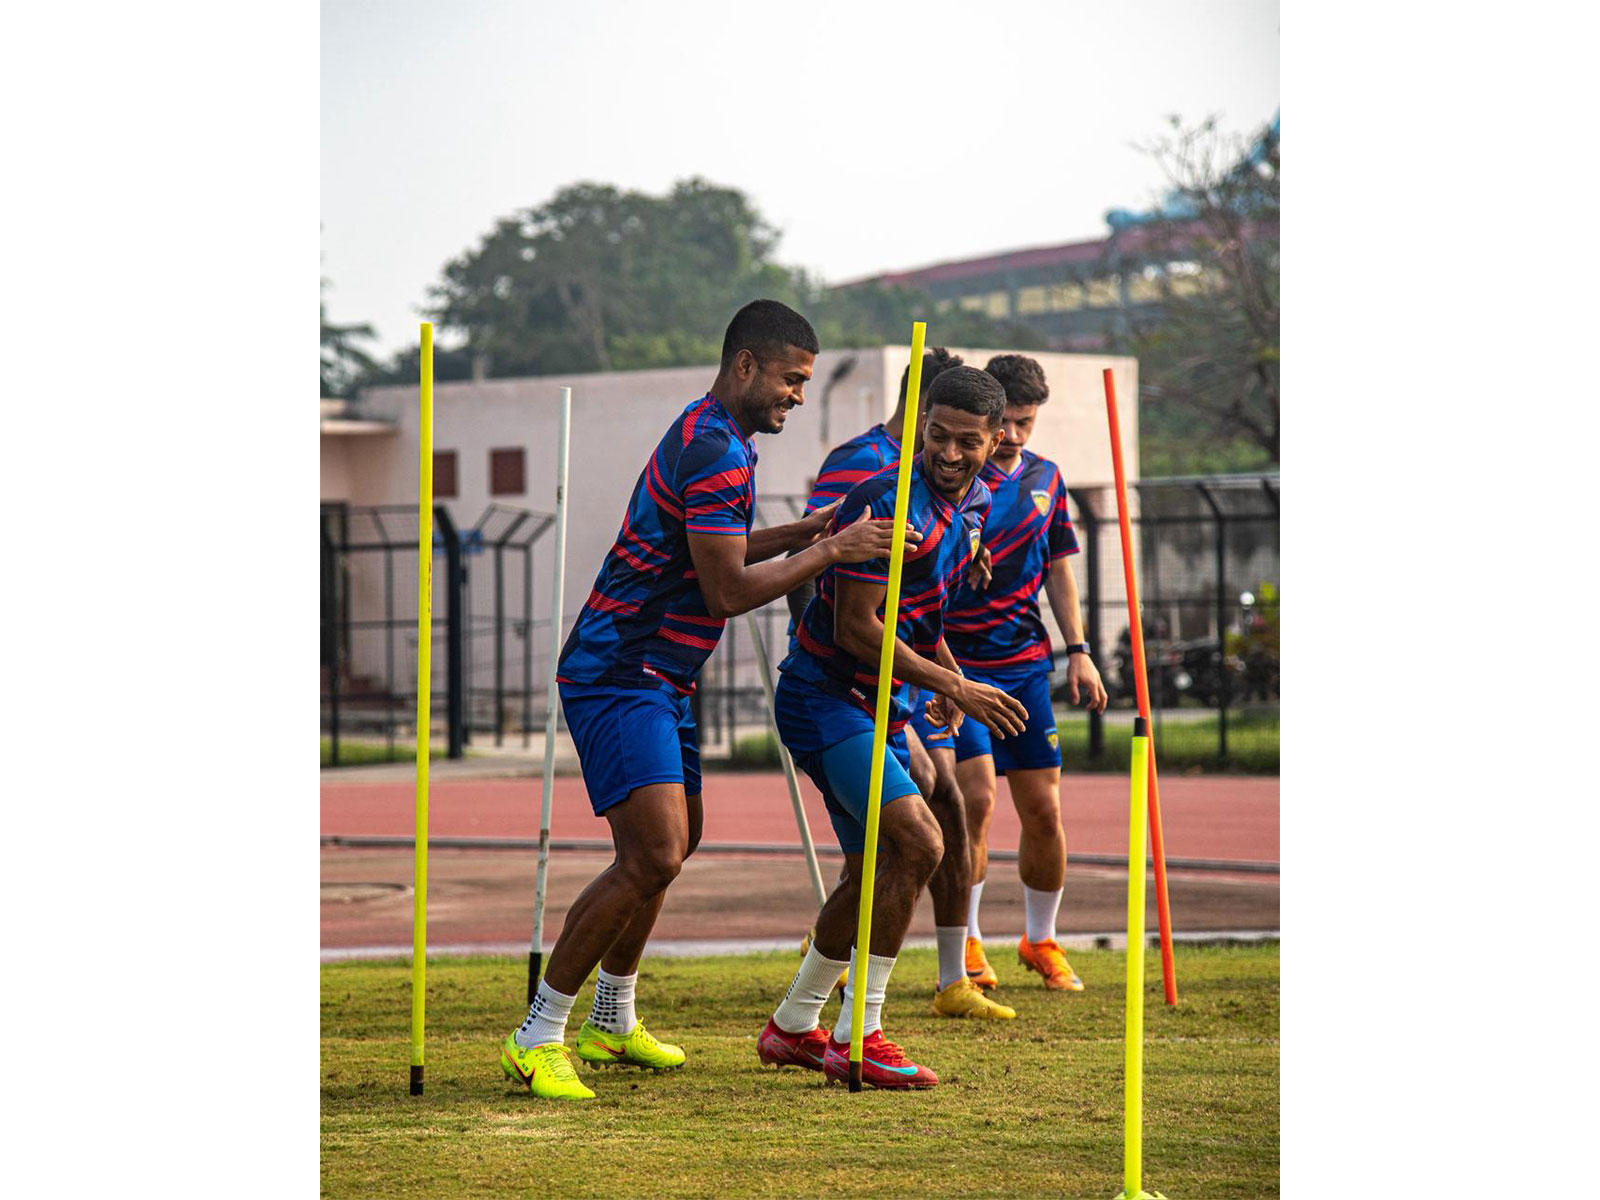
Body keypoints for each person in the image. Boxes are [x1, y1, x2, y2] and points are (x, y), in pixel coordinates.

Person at [501, 299, 914, 1101]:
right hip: (620, 670)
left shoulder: (719, 436)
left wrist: (803, 533)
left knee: (674, 847)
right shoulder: (717, 448)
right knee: (651, 853)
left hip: (662, 676)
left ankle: (612, 1019)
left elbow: (709, 552)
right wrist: (831, 548)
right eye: (793, 379)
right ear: (747, 364)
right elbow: (725, 590)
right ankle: (537, 1032)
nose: (799, 395)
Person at [755, 366, 1029, 1090]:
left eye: (967, 441)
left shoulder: (972, 504)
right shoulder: (887, 500)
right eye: (935, 435)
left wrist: (941, 672)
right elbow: (855, 628)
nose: (947, 452)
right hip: (825, 698)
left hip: (881, 708)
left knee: (872, 869)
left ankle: (792, 1027)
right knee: (920, 841)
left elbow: (918, 617)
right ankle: (862, 1034)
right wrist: (953, 683)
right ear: (920, 425)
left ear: (994, 440)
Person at [942, 354, 1109, 994]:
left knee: (1043, 808)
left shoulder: (1047, 478)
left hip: (1025, 667)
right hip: (957, 668)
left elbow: (1061, 566)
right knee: (976, 800)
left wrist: (1080, 649)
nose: (1014, 436)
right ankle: (972, 939)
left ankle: (1040, 940)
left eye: (1026, 422)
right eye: (1005, 422)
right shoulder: (953, 476)